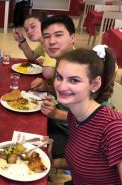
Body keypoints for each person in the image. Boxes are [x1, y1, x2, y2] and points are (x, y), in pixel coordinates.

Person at [52, 46, 121, 184]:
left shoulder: (114, 128)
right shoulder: (75, 116)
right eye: (59, 77)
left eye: (74, 80)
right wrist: (54, 162)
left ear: (95, 84)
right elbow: (88, 162)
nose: (61, 86)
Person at [32, 15, 76, 158]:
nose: (51, 41)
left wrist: (56, 114)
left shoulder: (82, 68)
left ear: (72, 38)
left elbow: (97, 118)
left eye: (58, 35)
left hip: (74, 135)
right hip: (57, 122)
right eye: (46, 36)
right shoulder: (61, 63)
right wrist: (47, 87)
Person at [13, 12, 55, 80]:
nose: (29, 32)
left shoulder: (52, 42)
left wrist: (44, 63)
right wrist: (22, 40)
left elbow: (48, 73)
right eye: (26, 29)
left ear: (45, 25)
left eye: (33, 27)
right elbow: (32, 56)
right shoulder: (43, 42)